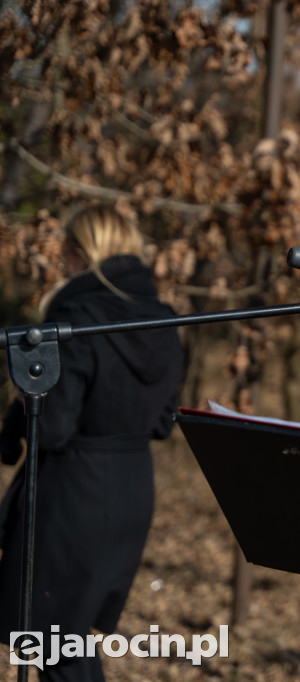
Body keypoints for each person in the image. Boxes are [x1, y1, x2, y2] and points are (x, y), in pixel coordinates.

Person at [0, 205, 185, 681]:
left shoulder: (76, 318)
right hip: (132, 488)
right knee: (69, 638)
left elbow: (53, 428)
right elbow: (163, 423)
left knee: (56, 645)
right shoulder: (163, 320)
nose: (60, 258)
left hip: (74, 493)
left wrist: (25, 392)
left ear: (81, 252)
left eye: (65, 248)